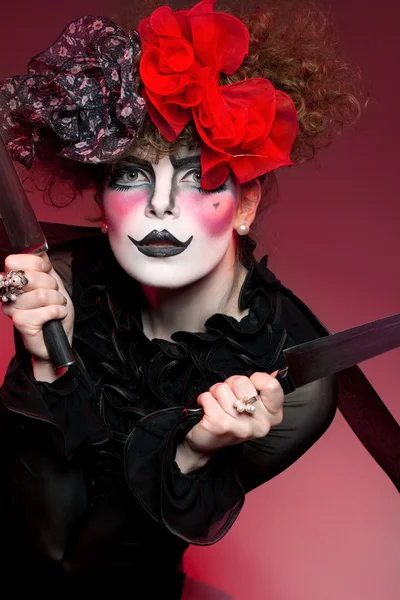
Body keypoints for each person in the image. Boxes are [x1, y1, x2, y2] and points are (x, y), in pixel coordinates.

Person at [0, 0, 365, 593]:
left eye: (201, 177)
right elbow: (33, 530)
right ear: (100, 203)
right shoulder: (60, 284)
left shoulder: (296, 385)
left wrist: (193, 453)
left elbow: (93, 566)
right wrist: (47, 364)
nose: (161, 205)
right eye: (131, 174)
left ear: (244, 205)